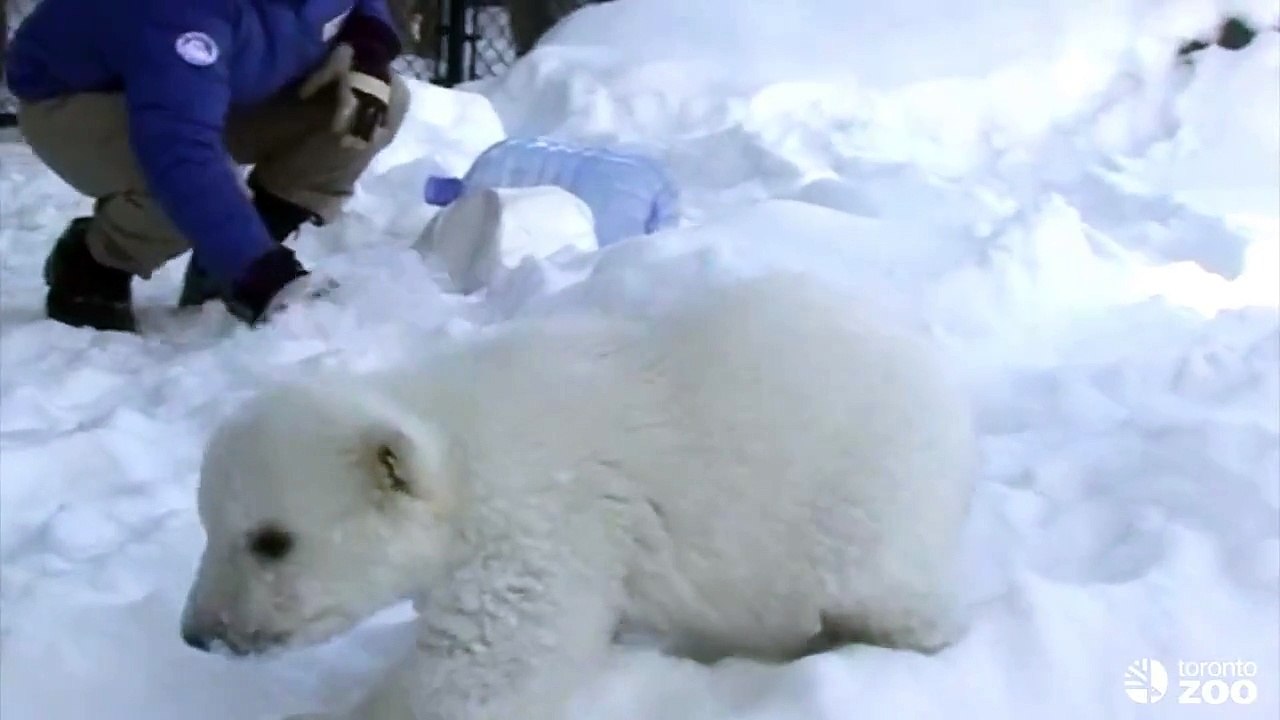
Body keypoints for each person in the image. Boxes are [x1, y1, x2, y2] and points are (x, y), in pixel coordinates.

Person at [5, 0, 410, 332]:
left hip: (216, 87)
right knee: (177, 193)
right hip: (86, 102)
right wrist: (265, 278)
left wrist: (367, 45)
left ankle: (230, 262)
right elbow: (179, 152)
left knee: (375, 103)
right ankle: (94, 266)